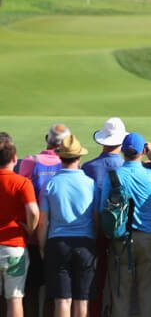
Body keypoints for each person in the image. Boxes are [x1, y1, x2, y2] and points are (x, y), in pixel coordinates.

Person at [100, 133, 151, 317]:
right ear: (143, 152)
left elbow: (102, 210)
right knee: (147, 294)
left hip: (121, 239)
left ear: (122, 151)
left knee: (121, 294)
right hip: (149, 239)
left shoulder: (112, 176)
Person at [37, 135, 97, 317]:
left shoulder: (50, 184)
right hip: (85, 243)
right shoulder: (90, 184)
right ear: (79, 158)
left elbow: (43, 221)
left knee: (62, 300)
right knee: (82, 299)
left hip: (58, 242)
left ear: (60, 157)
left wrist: (42, 247)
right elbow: (96, 217)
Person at [19, 123, 71, 317]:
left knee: (31, 290)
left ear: (46, 139)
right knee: (55, 292)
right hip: (59, 235)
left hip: (32, 234)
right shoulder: (69, 164)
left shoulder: (30, 162)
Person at [82, 117, 126, 317]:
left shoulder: (89, 167)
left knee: (96, 281)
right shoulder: (126, 166)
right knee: (119, 282)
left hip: (95, 230)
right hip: (123, 231)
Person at [0, 132, 39, 317]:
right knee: (14, 298)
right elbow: (33, 211)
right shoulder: (22, 183)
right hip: (14, 246)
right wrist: (30, 228)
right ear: (15, 158)